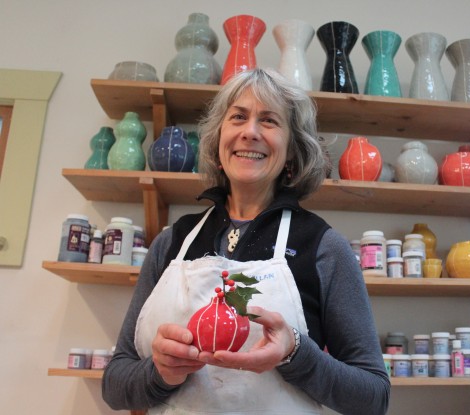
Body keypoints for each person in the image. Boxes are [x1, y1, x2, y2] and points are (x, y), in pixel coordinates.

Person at [102, 68, 390, 415]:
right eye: (238, 117)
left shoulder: (324, 248)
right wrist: (159, 372)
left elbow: (374, 397)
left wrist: (295, 353)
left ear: (292, 151)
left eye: (268, 121)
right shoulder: (171, 243)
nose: (249, 132)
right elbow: (115, 386)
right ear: (218, 137)